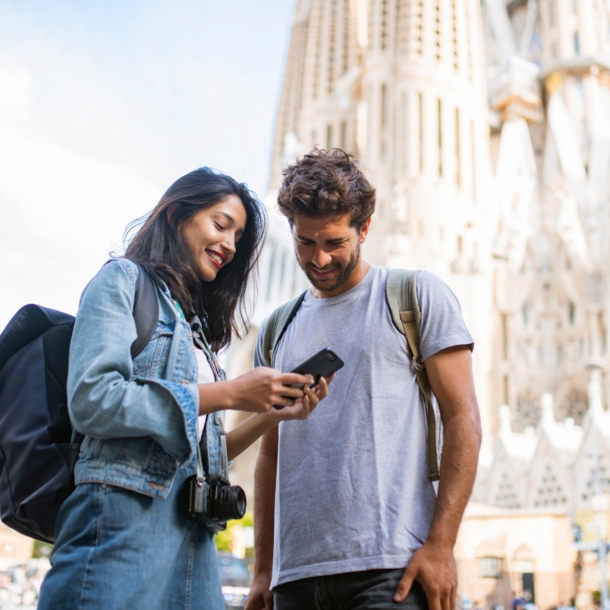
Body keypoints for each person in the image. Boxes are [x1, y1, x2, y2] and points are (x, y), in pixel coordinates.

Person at [37, 167, 331, 610]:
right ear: (176, 215)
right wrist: (230, 393)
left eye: (238, 238)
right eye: (221, 225)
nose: (230, 246)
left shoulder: (194, 328)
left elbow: (205, 452)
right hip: (121, 525)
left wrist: (271, 414)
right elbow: (93, 399)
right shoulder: (121, 281)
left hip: (193, 536)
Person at [245, 149, 482, 610]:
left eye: (334, 242)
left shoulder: (415, 296)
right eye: (305, 243)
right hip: (295, 580)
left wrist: (442, 544)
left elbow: (463, 418)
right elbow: (269, 454)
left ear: (364, 228)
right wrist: (263, 570)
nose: (319, 258)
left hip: (390, 569)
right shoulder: (277, 328)